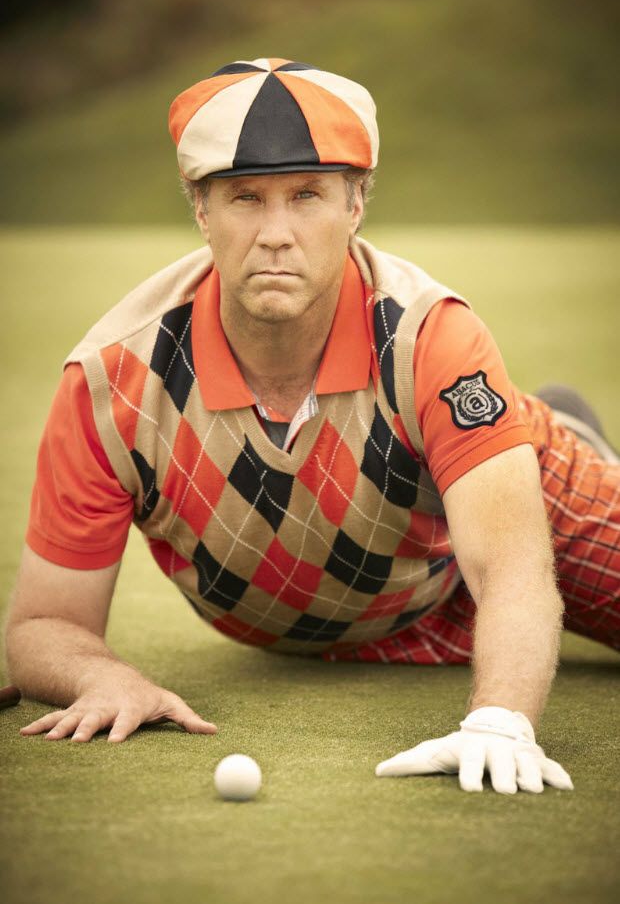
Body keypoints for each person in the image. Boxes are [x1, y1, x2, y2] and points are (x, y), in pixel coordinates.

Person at [5, 58, 619, 795]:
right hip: (333, 628)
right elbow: (43, 625)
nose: (276, 234)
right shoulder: (110, 386)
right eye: (244, 199)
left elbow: (514, 569)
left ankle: (575, 439)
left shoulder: (432, 339)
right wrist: (97, 676)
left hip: (505, 517)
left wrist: (500, 718)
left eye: (306, 196)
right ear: (200, 209)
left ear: (356, 203)